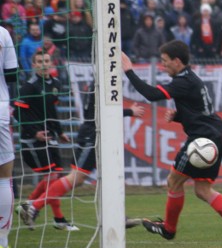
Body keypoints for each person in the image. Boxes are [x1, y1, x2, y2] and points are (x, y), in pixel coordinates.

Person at [121, 40, 222, 241]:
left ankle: (169, 229)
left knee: (173, 182)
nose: (163, 65)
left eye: (165, 61)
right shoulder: (192, 79)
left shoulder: (183, 82)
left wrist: (129, 71)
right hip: (215, 140)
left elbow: (152, 94)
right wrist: (179, 117)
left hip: (201, 141)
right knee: (202, 190)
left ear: (176, 61)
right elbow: (202, 112)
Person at [18, 83, 144, 230]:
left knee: (110, 178)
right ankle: (34, 206)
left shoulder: (101, 80)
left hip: (101, 135)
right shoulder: (101, 82)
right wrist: (130, 111)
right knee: (76, 177)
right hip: (92, 135)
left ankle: (117, 217)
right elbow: (101, 112)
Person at [13, 51, 73, 230]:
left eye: (46, 61)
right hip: (32, 140)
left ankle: (28, 205)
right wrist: (34, 132)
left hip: (50, 135)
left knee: (56, 176)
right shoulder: (29, 87)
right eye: (39, 61)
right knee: (53, 177)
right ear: (34, 65)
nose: (44, 64)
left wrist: (60, 132)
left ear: (51, 62)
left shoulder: (55, 84)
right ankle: (57, 219)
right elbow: (17, 112)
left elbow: (52, 112)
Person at [0, 25, 18, 248]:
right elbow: (12, 74)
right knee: (4, 177)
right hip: (0, 109)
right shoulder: (3, 33)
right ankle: (2, 241)